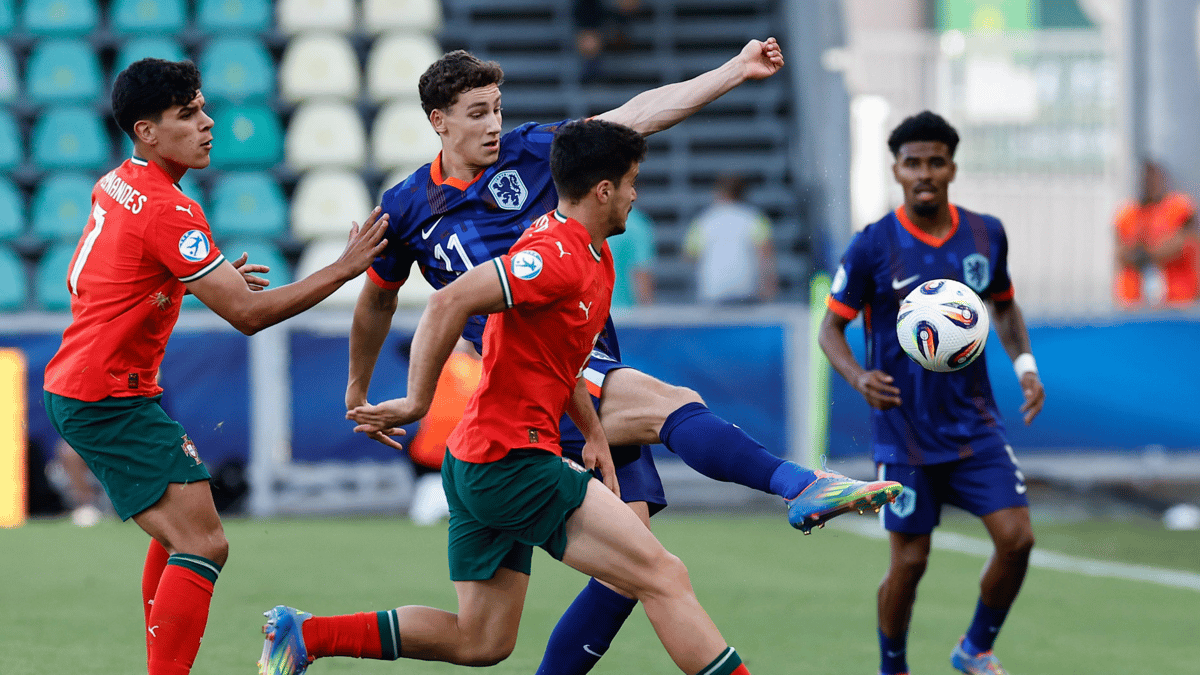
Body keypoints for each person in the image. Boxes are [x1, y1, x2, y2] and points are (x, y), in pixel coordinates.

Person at [344, 43, 900, 675]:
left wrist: (733, 71)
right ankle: (801, 485)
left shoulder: (536, 151)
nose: (494, 125)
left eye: (497, 109)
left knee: (609, 582)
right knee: (671, 413)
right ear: (438, 121)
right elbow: (378, 301)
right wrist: (362, 389)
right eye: (478, 113)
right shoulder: (407, 206)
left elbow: (637, 116)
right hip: (529, 383)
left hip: (576, 368)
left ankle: (312, 636)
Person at [259, 119, 756, 675]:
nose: (636, 195)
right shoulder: (555, 255)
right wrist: (417, 400)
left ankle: (306, 635)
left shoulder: (584, 253)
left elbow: (564, 360)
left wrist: (593, 433)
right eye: (631, 182)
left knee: (481, 640)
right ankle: (793, 485)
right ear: (603, 190)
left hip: (477, 459)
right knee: (662, 575)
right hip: (513, 459)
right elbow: (446, 302)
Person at [41, 58, 388, 675]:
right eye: (188, 114)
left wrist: (198, 280)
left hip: (90, 385)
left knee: (181, 535)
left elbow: (89, 276)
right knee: (204, 543)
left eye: (202, 108)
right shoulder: (168, 209)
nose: (207, 123)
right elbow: (248, 316)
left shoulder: (118, 181)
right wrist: (343, 268)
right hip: (108, 397)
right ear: (147, 131)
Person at [818, 111, 1046, 675]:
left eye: (936, 162)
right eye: (913, 163)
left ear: (952, 168)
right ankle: (892, 667)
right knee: (911, 562)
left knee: (1017, 539)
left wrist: (1025, 366)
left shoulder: (986, 234)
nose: (925, 173)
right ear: (896, 170)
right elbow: (830, 330)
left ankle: (975, 648)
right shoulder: (873, 244)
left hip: (975, 425)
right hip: (905, 432)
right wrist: (859, 378)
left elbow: (1004, 305)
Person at [1113, 160, 1199, 307]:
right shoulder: (1129, 214)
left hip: (1179, 301)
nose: (1150, 184)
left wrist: (1144, 251)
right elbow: (1121, 254)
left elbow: (1178, 245)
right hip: (1134, 302)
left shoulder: (1179, 207)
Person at [685, 173, 778, 304]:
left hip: (713, 290)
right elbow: (766, 255)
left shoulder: (704, 220)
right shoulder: (754, 218)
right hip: (745, 289)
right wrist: (769, 286)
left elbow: (690, 255)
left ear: (718, 193)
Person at [610, 205, 656, 307]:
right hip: (624, 313)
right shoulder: (637, 225)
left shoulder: (589, 220)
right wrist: (647, 310)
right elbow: (641, 275)